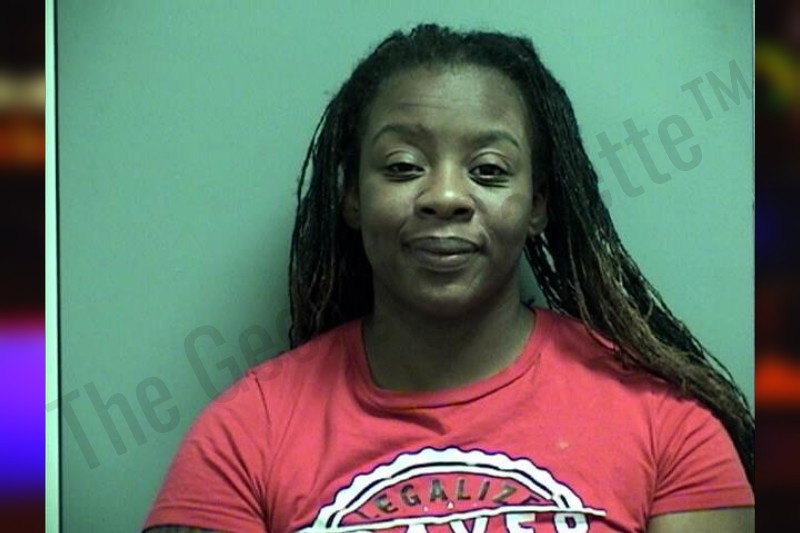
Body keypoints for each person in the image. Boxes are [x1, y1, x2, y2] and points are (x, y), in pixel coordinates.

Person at [143, 24, 754, 533]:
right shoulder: (244, 437)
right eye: (403, 166)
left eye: (488, 170)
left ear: (537, 204)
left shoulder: (666, 426)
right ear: (353, 196)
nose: (444, 196)